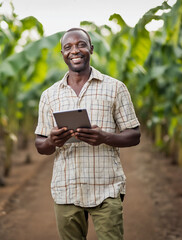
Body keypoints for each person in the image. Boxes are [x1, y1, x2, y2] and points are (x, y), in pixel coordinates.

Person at [34, 28, 141, 240]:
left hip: (106, 188)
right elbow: (40, 144)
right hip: (66, 188)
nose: (75, 50)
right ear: (62, 54)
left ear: (91, 49)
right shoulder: (50, 95)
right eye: (68, 47)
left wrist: (105, 137)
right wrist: (53, 141)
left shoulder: (115, 88)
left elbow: (135, 135)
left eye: (81, 44)